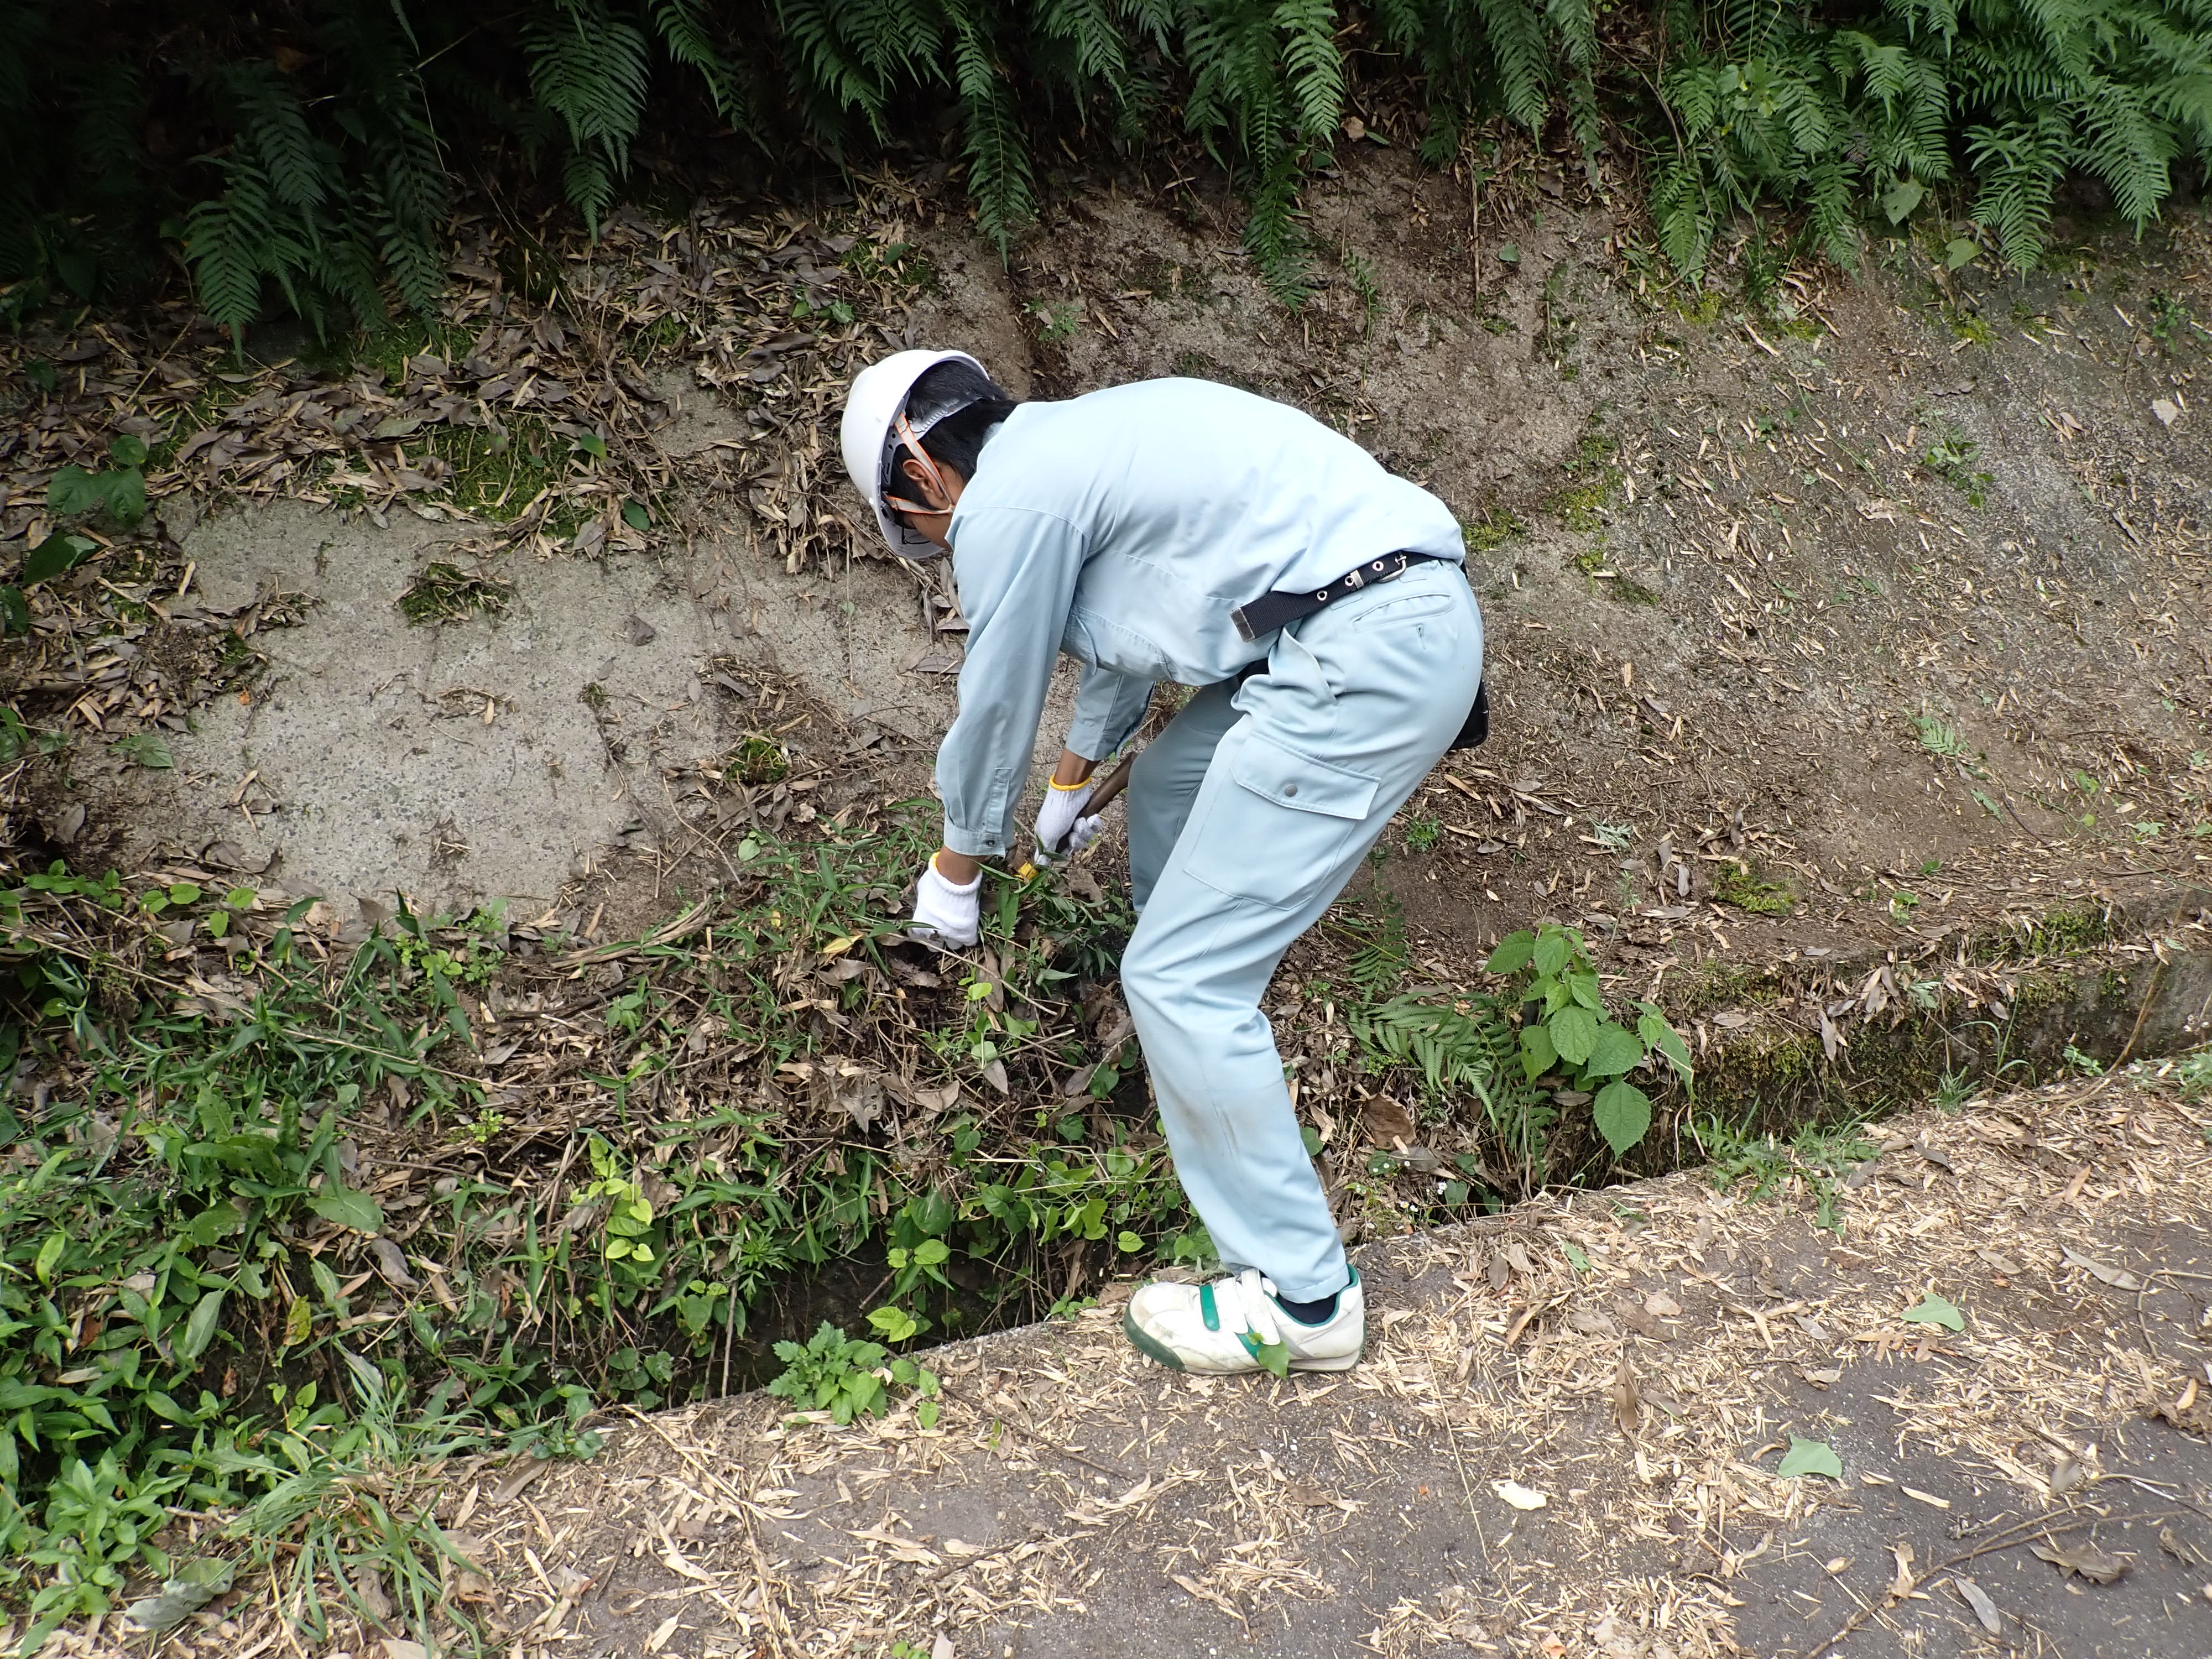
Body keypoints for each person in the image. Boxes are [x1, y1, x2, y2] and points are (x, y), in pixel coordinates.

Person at [838, 351, 1484, 1375]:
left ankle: (1303, 1301)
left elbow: (997, 695)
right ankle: (1195, 1031)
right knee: (1174, 781)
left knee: (1180, 978)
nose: (932, 546)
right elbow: (1118, 646)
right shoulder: (1077, 443)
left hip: (1362, 651)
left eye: (913, 531)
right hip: (1388, 615)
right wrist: (1066, 793)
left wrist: (955, 875)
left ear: (917, 475)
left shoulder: (1006, 503)